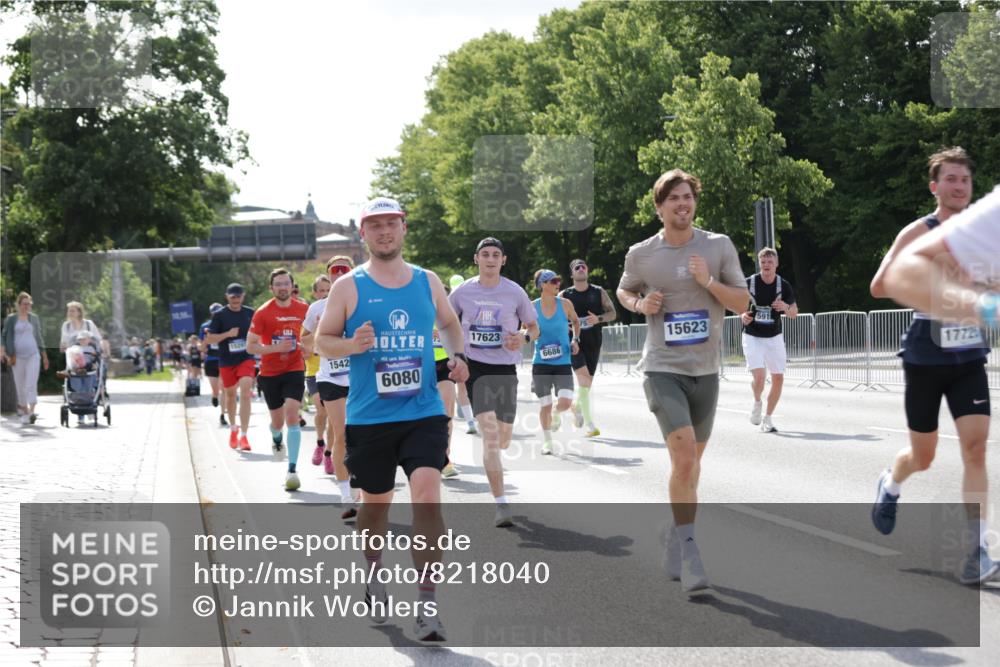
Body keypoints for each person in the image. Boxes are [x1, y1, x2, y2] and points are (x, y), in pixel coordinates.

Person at [315, 197, 468, 642]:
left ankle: (427, 604)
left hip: (422, 411)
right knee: (375, 508)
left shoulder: (427, 281)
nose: (384, 232)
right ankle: (374, 572)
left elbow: (450, 324)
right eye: (375, 225)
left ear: (404, 229)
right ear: (363, 234)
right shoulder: (349, 288)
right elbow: (322, 343)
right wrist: (352, 345)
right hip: (369, 417)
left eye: (391, 224)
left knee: (426, 495)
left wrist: (457, 356)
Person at [616, 169, 748, 593]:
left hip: (705, 370)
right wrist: (640, 303)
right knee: (686, 457)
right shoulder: (641, 254)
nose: (682, 203)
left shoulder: (717, 246)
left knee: (690, 467)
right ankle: (691, 553)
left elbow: (743, 300)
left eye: (687, 196)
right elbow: (623, 291)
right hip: (662, 368)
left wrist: (707, 280)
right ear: (659, 207)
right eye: (673, 198)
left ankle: (674, 533)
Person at [871, 148, 997, 585]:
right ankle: (891, 482)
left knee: (976, 448)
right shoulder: (919, 233)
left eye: (965, 180)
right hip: (925, 354)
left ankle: (978, 550)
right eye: (951, 179)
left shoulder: (983, 237)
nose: (959, 186)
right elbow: (880, 285)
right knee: (923, 456)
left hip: (968, 357)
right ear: (935, 186)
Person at [449, 237, 539, 527]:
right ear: (476, 259)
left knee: (503, 438)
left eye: (495, 254)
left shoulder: (514, 292)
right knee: (489, 437)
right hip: (476, 368)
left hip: (505, 370)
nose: (490, 259)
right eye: (485, 254)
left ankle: (498, 473)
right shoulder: (462, 292)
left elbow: (533, 327)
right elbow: (447, 323)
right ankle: (501, 504)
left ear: (503, 260)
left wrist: (523, 337)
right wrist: (456, 355)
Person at [302, 257, 357, 519]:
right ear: (329, 276)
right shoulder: (317, 307)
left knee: (365, 434)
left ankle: (362, 483)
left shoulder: (365, 301)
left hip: (361, 377)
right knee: (341, 434)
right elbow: (305, 342)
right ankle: (346, 494)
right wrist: (323, 333)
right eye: (335, 270)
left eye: (345, 269)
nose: (339, 273)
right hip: (331, 377)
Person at [247, 268, 310, 491]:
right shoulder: (263, 313)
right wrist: (275, 347)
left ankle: (292, 471)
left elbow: (313, 335)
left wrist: (308, 347)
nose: (282, 287)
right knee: (278, 423)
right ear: (271, 288)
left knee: (292, 415)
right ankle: (276, 438)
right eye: (278, 284)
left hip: (294, 369)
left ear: (292, 286)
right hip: (270, 374)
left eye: (286, 284)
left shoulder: (304, 309)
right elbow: (250, 346)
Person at [740, 247, 798, 433]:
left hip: (774, 336)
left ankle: (768, 418)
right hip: (752, 335)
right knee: (759, 377)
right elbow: (736, 304)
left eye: (770, 262)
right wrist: (742, 315)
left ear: (776, 264)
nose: (766, 265)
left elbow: (794, 314)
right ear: (759, 264)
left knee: (778, 378)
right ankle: (757, 402)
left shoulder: (784, 285)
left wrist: (785, 306)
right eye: (763, 262)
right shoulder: (749, 283)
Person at [560, 258, 617, 437]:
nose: (581, 268)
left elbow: (613, 314)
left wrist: (598, 319)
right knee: (583, 380)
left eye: (583, 266)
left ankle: (576, 406)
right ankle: (590, 425)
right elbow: (553, 316)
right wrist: (564, 325)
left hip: (594, 341)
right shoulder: (564, 295)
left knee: (587, 384)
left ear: (587, 271)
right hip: (574, 342)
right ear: (572, 274)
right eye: (577, 267)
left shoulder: (598, 292)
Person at [532, 269, 580, 454]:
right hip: (541, 363)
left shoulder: (565, 304)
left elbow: (575, 322)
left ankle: (563, 410)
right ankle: (547, 442)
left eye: (558, 280)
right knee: (545, 404)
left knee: (565, 403)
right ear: (543, 285)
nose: (557, 283)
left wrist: (575, 339)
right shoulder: (532, 307)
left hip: (562, 362)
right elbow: (525, 329)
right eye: (553, 281)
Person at [205, 283, 256, 451]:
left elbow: (261, 332)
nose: (236, 299)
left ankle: (245, 436)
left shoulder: (250, 313)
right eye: (232, 296)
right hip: (227, 360)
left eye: (238, 296)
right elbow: (210, 339)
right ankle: (234, 428)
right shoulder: (219, 315)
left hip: (246, 358)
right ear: (227, 296)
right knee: (230, 395)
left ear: (243, 296)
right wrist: (227, 334)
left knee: (246, 391)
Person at [2, 292, 50, 424]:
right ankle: (24, 411)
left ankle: (32, 411)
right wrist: (2, 351)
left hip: (33, 355)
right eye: (24, 304)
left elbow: (39, 337)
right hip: (16, 357)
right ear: (18, 305)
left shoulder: (34, 318)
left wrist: (44, 356)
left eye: (29, 304)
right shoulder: (11, 319)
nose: (27, 306)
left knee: (31, 383)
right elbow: (3, 336)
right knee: (20, 385)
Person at [303, 274, 332, 470]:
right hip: (315, 370)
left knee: (335, 415)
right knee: (322, 411)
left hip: (337, 372)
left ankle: (329, 454)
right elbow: (304, 348)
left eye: (328, 291)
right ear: (315, 293)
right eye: (321, 291)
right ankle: (320, 443)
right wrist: (320, 328)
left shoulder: (342, 310)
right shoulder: (313, 312)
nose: (325, 294)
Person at [450, 274, 478, 435]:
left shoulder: (452, 303)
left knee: (463, 387)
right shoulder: (469, 301)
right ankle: (472, 420)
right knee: (466, 385)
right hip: (464, 349)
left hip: (466, 348)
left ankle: (471, 420)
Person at [199, 303, 227, 424]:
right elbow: (202, 346)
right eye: (214, 312)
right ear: (211, 313)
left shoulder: (226, 324)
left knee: (224, 388)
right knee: (216, 389)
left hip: (224, 359)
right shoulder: (204, 326)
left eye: (218, 311)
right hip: (211, 360)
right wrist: (207, 341)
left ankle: (222, 415)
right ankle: (215, 397)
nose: (216, 314)